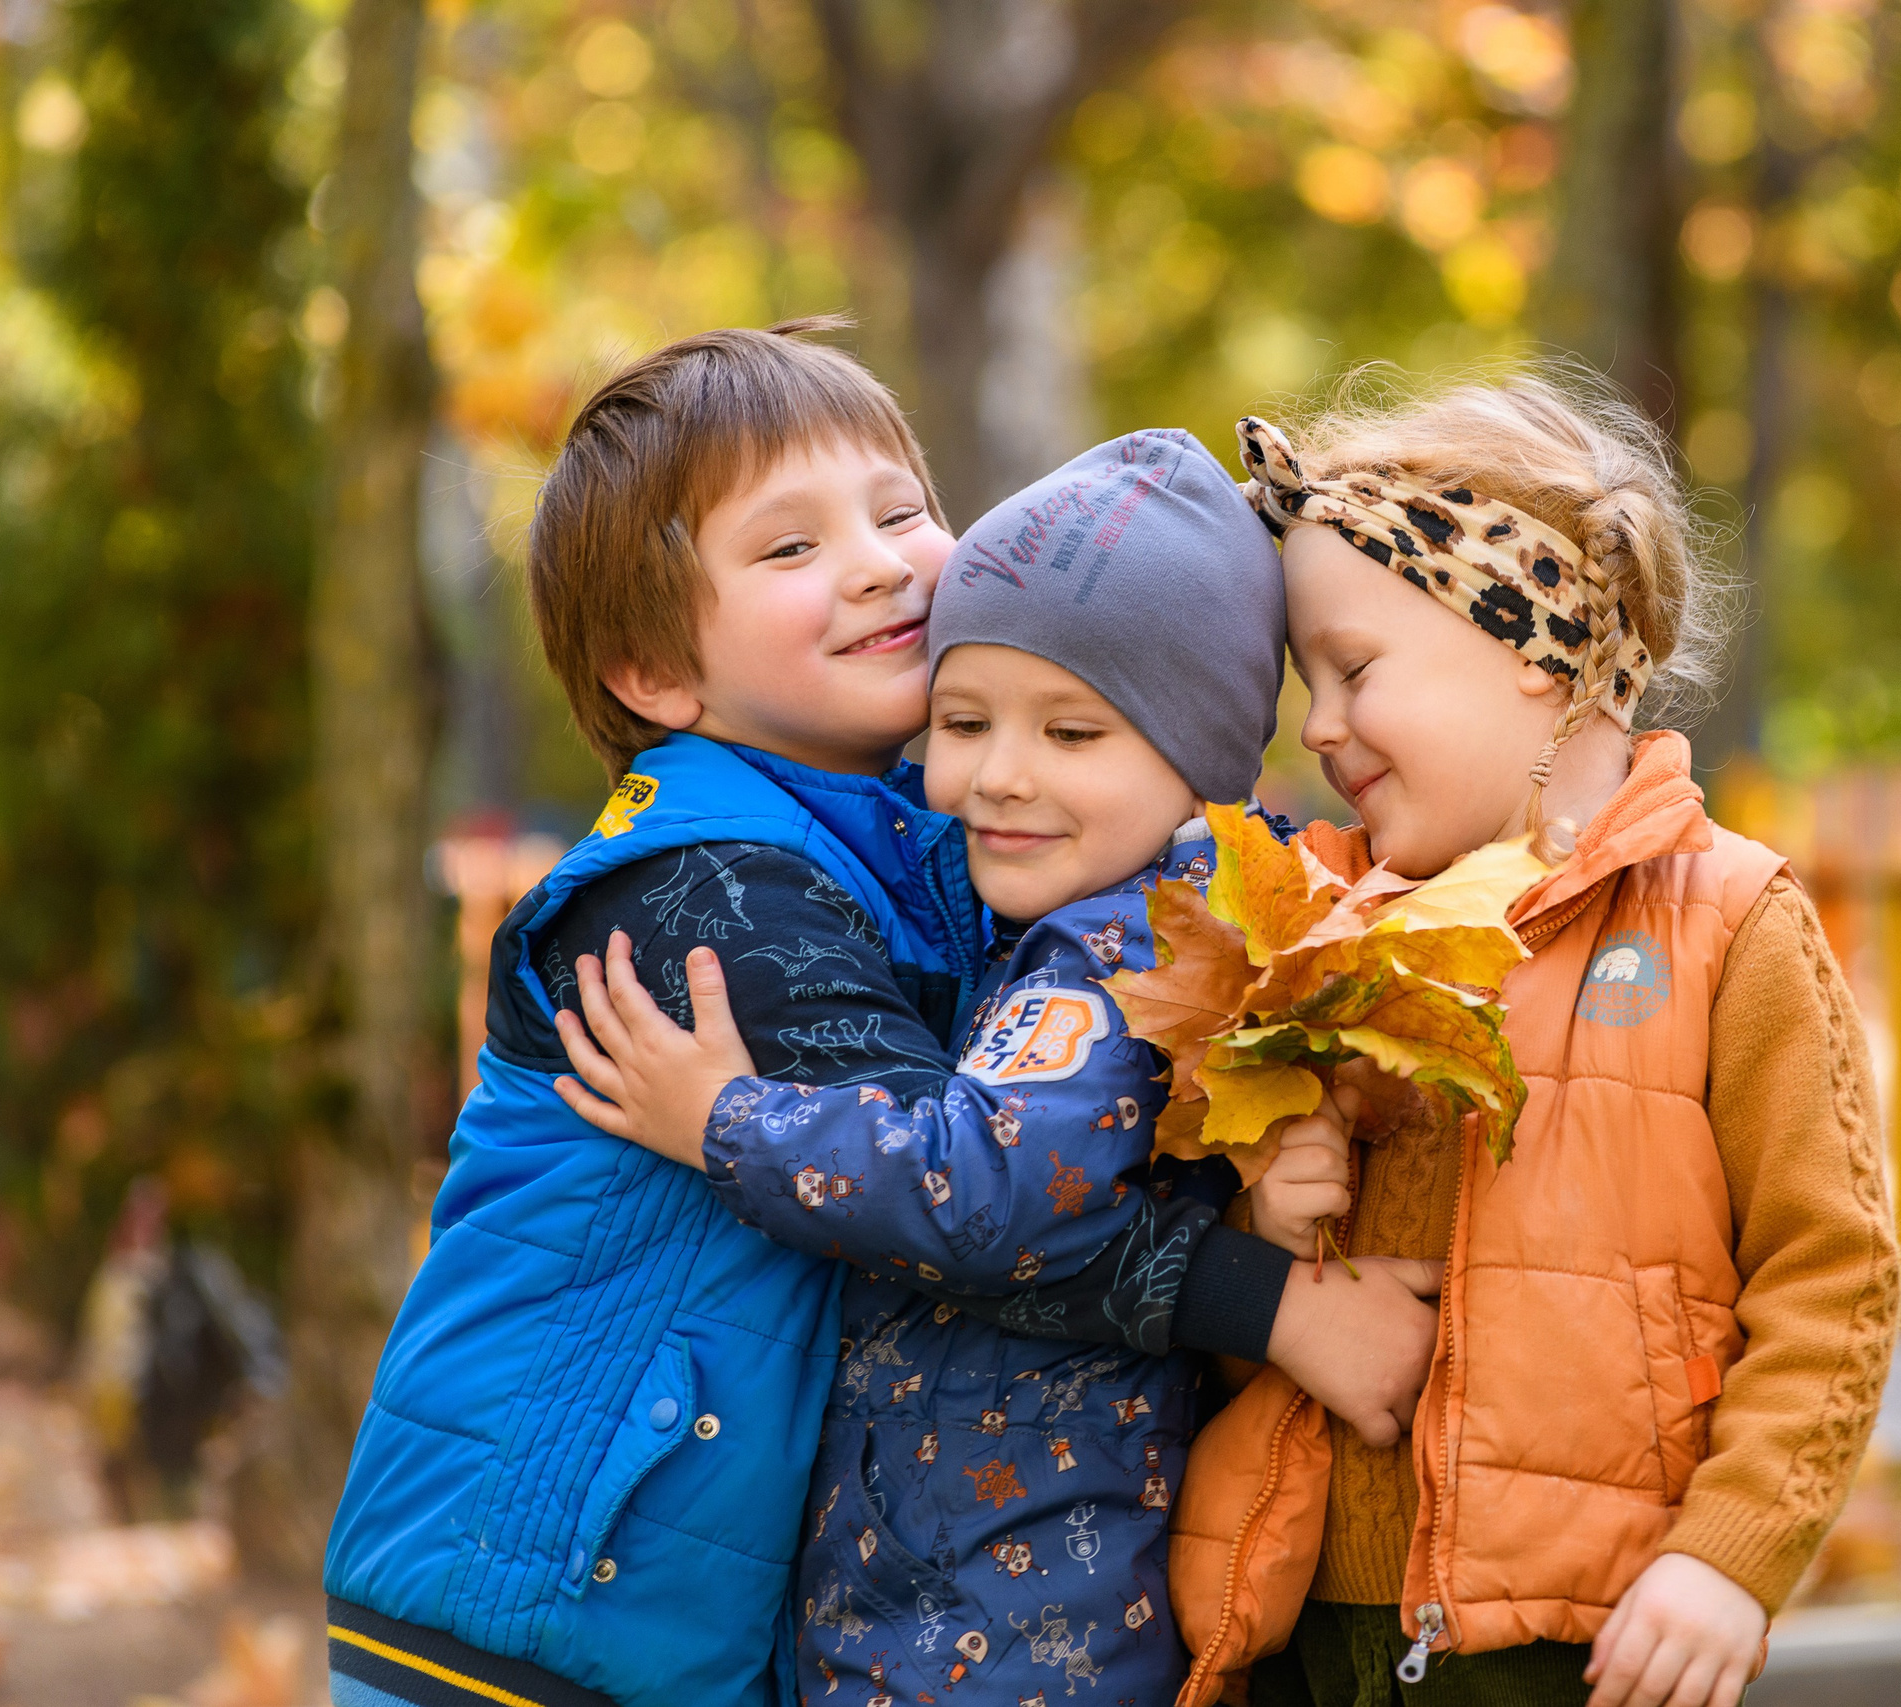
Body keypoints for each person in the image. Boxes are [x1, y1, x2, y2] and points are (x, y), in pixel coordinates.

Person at [320, 324, 1439, 1707]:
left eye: (901, 509)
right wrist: (1263, 1299)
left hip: (676, 1602)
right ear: (657, 673)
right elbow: (972, 1198)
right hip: (525, 1581)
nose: (876, 559)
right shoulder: (704, 897)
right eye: (789, 549)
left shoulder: (940, 848)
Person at [550, 426, 1359, 1705]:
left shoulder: (1117, 951)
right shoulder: (1062, 925)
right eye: (964, 721)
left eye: (1074, 734)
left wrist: (723, 1118)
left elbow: (981, 1187)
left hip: (1016, 1608)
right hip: (950, 1578)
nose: (996, 777)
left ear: (1202, 763)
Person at [1170, 379, 1901, 1707]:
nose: (1317, 726)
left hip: (1587, 1637)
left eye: (1354, 668)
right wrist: (1267, 1228)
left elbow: (1831, 1278)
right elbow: (1227, 1322)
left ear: (1527, 638)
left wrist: (1729, 1557)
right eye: (1306, 684)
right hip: (1309, 1624)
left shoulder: (1727, 925)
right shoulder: (1315, 934)